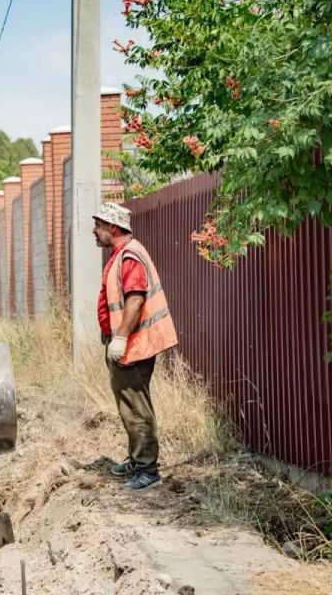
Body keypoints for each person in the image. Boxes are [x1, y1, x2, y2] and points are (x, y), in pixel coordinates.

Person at [93, 202, 179, 490]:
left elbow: (135, 299)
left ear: (113, 227)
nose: (95, 231)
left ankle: (148, 469)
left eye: (99, 226)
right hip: (130, 343)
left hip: (133, 344)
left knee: (136, 406)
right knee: (130, 404)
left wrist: (119, 337)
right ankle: (137, 458)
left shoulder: (129, 256)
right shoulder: (122, 255)